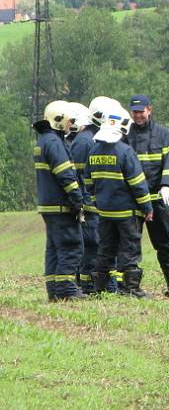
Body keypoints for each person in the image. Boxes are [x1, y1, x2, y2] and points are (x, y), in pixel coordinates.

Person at [86, 107, 154, 298]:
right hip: (126, 214)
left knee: (105, 249)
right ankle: (130, 288)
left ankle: (98, 289)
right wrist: (147, 207)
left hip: (105, 212)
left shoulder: (93, 151)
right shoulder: (125, 152)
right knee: (129, 250)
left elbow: (89, 183)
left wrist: (97, 202)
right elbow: (138, 184)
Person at [125, 95, 169, 296]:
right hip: (134, 201)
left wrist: (166, 185)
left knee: (164, 243)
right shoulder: (126, 135)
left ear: (150, 110)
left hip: (158, 199)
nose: (138, 115)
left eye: (141, 111)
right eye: (135, 112)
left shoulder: (163, 134)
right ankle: (130, 287)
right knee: (129, 245)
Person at [33, 100, 86, 302]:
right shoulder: (54, 143)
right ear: (59, 120)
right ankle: (65, 289)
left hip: (48, 204)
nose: (70, 124)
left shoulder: (44, 140)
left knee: (54, 248)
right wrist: (77, 199)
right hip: (60, 205)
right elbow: (65, 175)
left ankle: (54, 289)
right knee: (71, 246)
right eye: (68, 120)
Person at [67, 102, 99, 295]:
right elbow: (81, 176)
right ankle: (86, 285)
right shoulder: (85, 141)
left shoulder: (83, 140)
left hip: (89, 201)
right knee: (90, 244)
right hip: (89, 203)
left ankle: (85, 283)